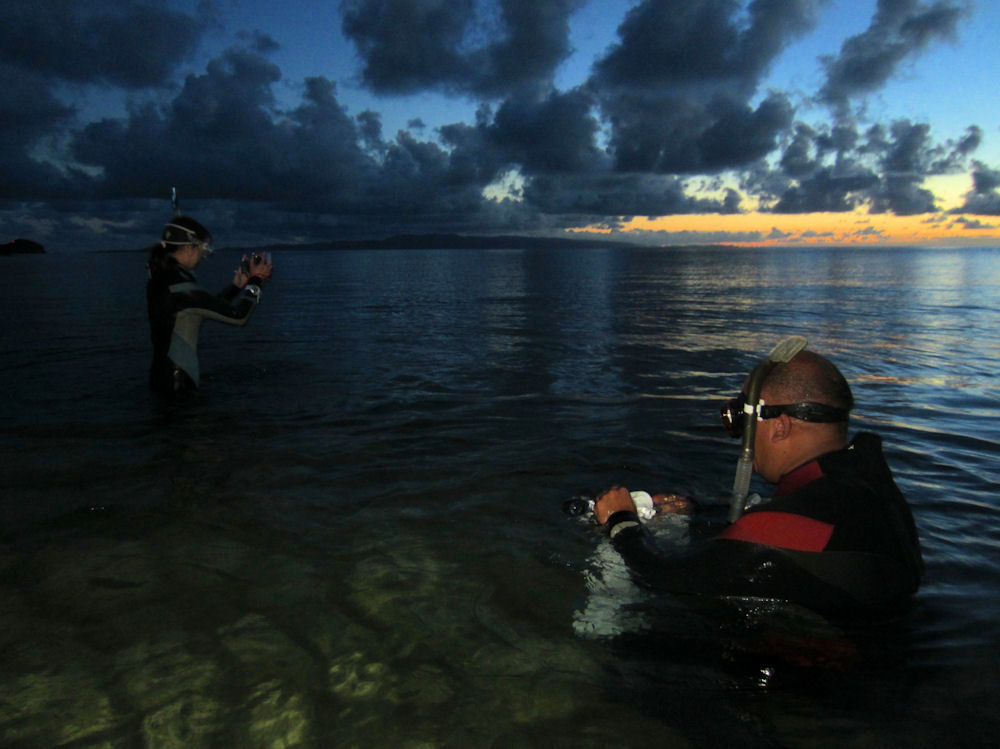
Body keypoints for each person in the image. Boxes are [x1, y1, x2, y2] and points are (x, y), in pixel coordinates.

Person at [593, 347, 924, 618]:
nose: (740, 437)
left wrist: (621, 523)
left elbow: (663, 579)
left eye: (742, 420)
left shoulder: (776, 528)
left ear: (779, 427)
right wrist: (695, 510)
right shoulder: (873, 489)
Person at [146, 216, 273, 394]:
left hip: (160, 379)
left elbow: (201, 308)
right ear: (189, 248)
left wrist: (236, 288)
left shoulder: (161, 280)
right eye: (202, 250)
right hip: (179, 385)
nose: (201, 257)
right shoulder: (182, 290)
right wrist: (256, 281)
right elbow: (239, 316)